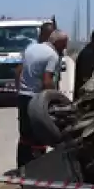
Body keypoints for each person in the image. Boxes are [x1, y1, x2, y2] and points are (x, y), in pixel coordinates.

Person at [15, 29, 69, 172]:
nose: (65, 48)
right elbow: (47, 81)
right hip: (37, 101)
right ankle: (37, 172)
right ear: (57, 42)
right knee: (40, 137)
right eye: (64, 44)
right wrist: (55, 99)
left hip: (23, 96)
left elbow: (18, 71)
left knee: (25, 137)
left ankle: (22, 170)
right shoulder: (52, 55)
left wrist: (19, 90)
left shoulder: (31, 48)